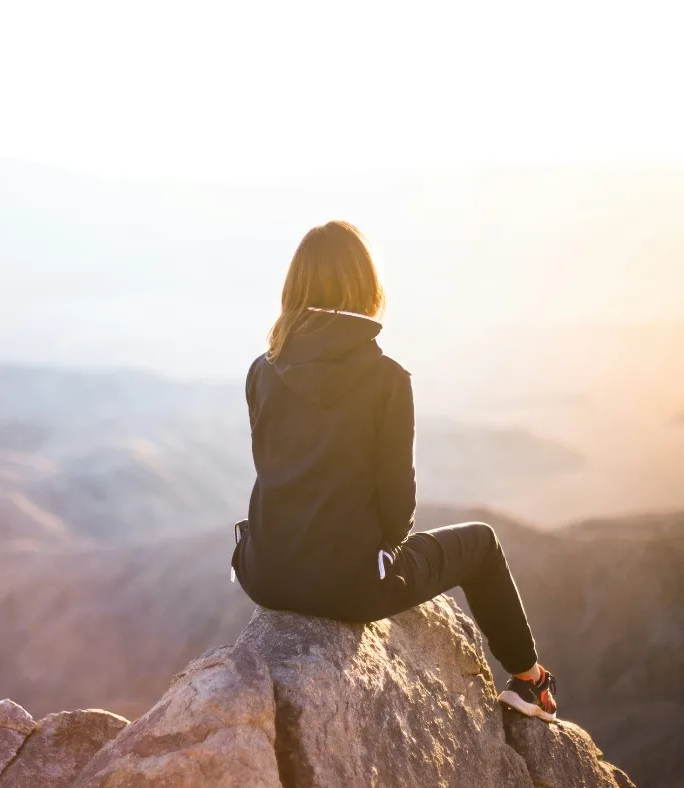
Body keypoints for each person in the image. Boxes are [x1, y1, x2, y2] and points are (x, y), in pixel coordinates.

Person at [231, 220, 557, 721]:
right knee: (483, 543)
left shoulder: (261, 368)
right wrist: (376, 556)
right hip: (351, 587)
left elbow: (272, 468)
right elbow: (399, 510)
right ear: (366, 286)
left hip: (264, 573)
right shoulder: (386, 379)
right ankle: (529, 680)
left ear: (294, 287)